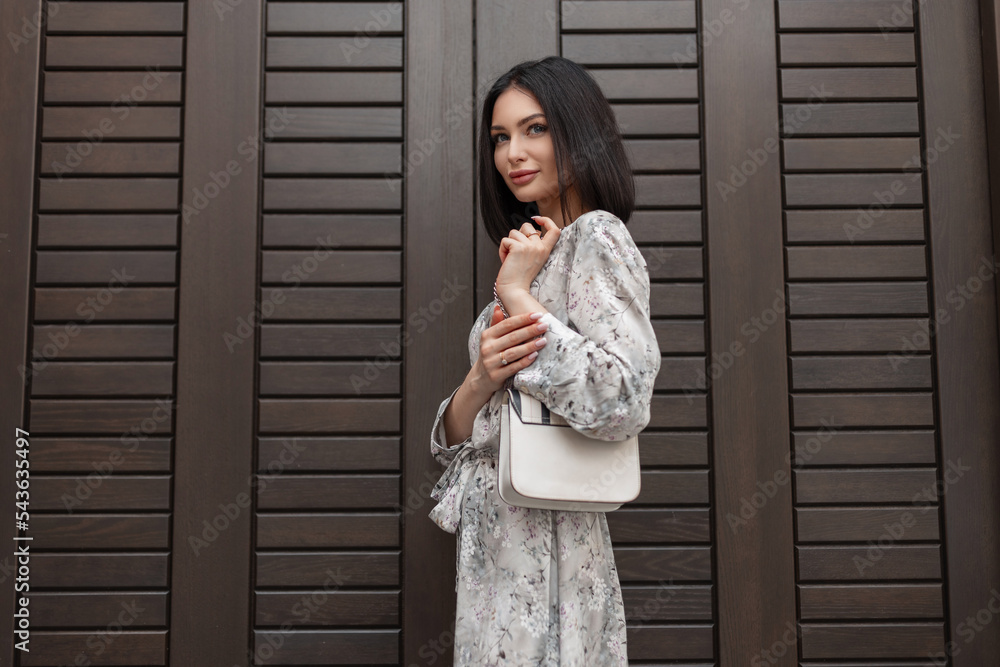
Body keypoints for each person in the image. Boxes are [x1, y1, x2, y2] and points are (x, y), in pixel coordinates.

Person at [427, 55, 661, 666]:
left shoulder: (597, 237)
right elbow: (458, 442)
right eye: (500, 137)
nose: (512, 154)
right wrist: (478, 380)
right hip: (493, 549)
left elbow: (625, 397)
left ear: (578, 131)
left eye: (534, 129)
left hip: (549, 549)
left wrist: (518, 297)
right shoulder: (531, 262)